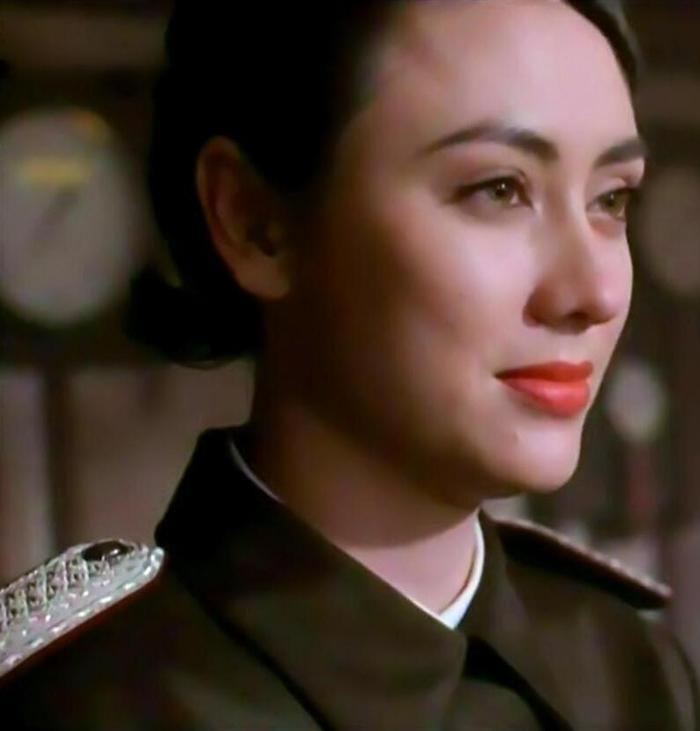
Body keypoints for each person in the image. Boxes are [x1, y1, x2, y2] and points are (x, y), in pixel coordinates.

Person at [1, 1, 698, 728]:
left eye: (611, 199)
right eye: (498, 189)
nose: (593, 293)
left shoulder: (631, 669)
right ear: (255, 222)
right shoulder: (91, 706)